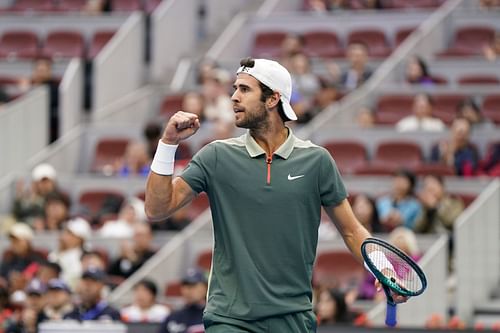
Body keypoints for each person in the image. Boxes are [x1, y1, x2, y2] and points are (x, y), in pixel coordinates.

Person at [145, 57, 407, 332]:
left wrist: (384, 269)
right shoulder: (216, 156)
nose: (234, 97)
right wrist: (167, 144)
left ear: (272, 99)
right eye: (235, 88)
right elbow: (156, 208)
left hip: (294, 317)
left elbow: (353, 231)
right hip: (230, 318)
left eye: (245, 90)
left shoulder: (317, 161)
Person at [157, 269, 207, 333]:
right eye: (185, 285)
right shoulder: (173, 317)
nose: (187, 290)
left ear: (205, 287)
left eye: (193, 285)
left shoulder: (212, 316)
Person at [48, 217, 92, 289]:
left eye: (69, 233)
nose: (63, 236)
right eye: (64, 232)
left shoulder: (84, 258)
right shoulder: (54, 254)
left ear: (79, 239)